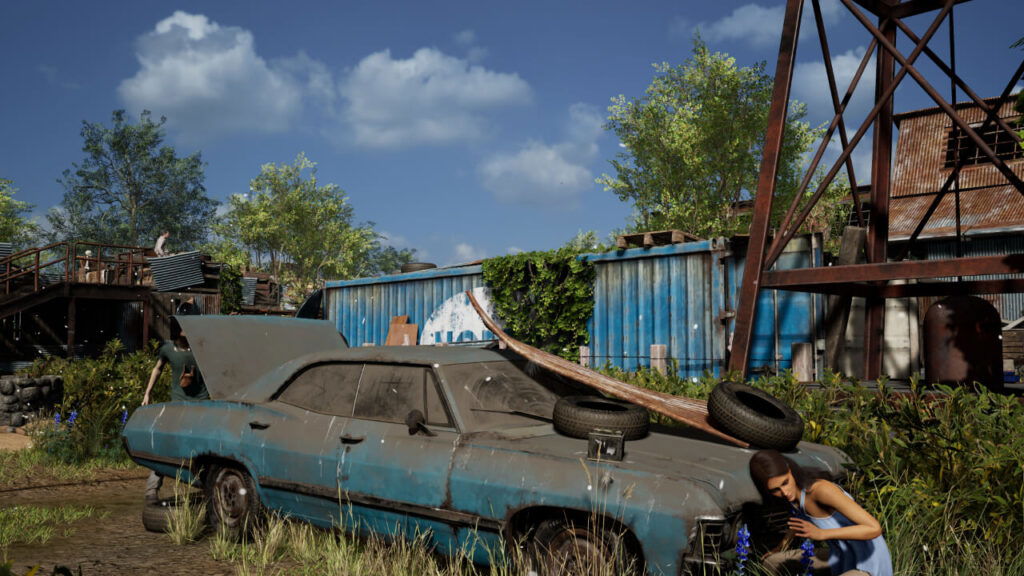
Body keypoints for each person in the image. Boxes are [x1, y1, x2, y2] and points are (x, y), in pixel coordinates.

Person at [749, 449, 892, 576]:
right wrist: (780, 547)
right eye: (775, 490)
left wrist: (822, 534)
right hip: (840, 555)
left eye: (785, 482)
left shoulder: (821, 490)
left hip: (867, 561)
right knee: (772, 562)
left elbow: (874, 528)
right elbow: (797, 520)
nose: (784, 492)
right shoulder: (793, 498)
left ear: (790, 470)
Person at [141, 317, 209, 503]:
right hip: (178, 403)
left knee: (202, 447)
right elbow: (157, 369)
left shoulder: (200, 347)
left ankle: (207, 486)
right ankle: (152, 489)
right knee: (167, 444)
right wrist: (148, 393)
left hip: (201, 403)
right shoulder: (168, 349)